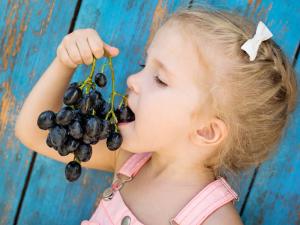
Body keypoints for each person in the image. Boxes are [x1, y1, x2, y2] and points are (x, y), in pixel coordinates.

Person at [15, 5, 298, 225]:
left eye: (160, 79)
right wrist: (65, 63)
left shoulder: (212, 219)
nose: (133, 80)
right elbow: (33, 132)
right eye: (143, 64)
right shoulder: (128, 162)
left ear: (206, 131)